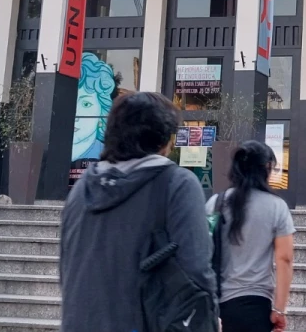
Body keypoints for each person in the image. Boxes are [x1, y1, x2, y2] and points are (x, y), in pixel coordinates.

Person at [59, 91, 216, 332]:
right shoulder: (176, 183)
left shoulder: (81, 189)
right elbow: (196, 270)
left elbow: (67, 270)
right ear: (164, 139)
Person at [208, 141, 296, 332]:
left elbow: (201, 251)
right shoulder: (276, 206)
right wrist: (279, 310)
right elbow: (285, 259)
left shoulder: (215, 203)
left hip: (216, 304)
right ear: (266, 168)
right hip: (256, 305)